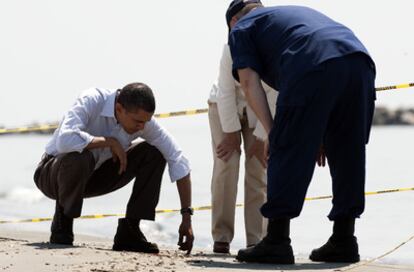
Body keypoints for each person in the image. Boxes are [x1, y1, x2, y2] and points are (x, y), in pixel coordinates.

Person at [225, 0, 376, 264]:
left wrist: (274, 132)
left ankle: (277, 240)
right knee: (348, 152)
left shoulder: (241, 28)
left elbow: (249, 83)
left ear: (232, 22)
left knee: (286, 149)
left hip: (310, 66)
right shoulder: (288, 15)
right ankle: (343, 239)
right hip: (358, 62)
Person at [33, 82, 194, 254]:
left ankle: (130, 232)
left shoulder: (143, 122)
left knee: (154, 153)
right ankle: (62, 226)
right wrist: (109, 141)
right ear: (119, 108)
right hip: (52, 175)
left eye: (145, 122)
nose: (142, 127)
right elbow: (64, 140)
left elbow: (178, 159)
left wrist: (186, 217)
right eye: (138, 121)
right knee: (79, 155)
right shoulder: (91, 99)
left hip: (94, 177)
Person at [208, 43, 277, 253]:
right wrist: (230, 133)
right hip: (223, 104)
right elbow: (226, 90)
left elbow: (276, 93)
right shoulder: (232, 46)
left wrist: (261, 137)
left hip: (262, 106)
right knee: (226, 164)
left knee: (258, 167)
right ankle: (221, 236)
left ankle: (255, 241)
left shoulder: (275, 45)